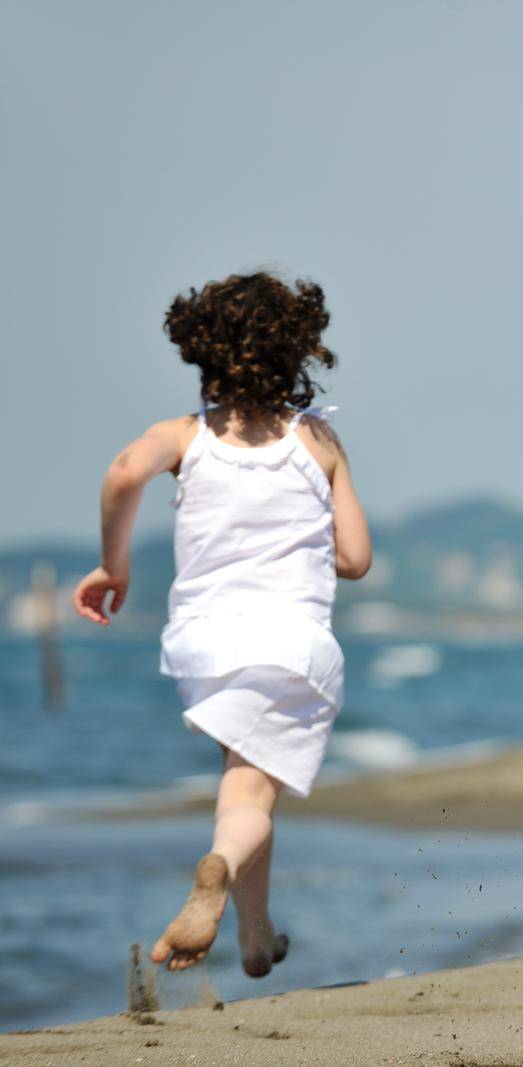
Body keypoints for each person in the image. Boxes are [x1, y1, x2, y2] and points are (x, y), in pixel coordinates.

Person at [74, 272, 371, 977]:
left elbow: (122, 473)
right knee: (246, 799)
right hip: (290, 644)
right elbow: (355, 559)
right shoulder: (318, 441)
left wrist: (113, 566)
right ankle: (217, 868)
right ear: (298, 351)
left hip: (202, 643)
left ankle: (255, 938)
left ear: (204, 350)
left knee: (244, 773)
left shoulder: (183, 435)